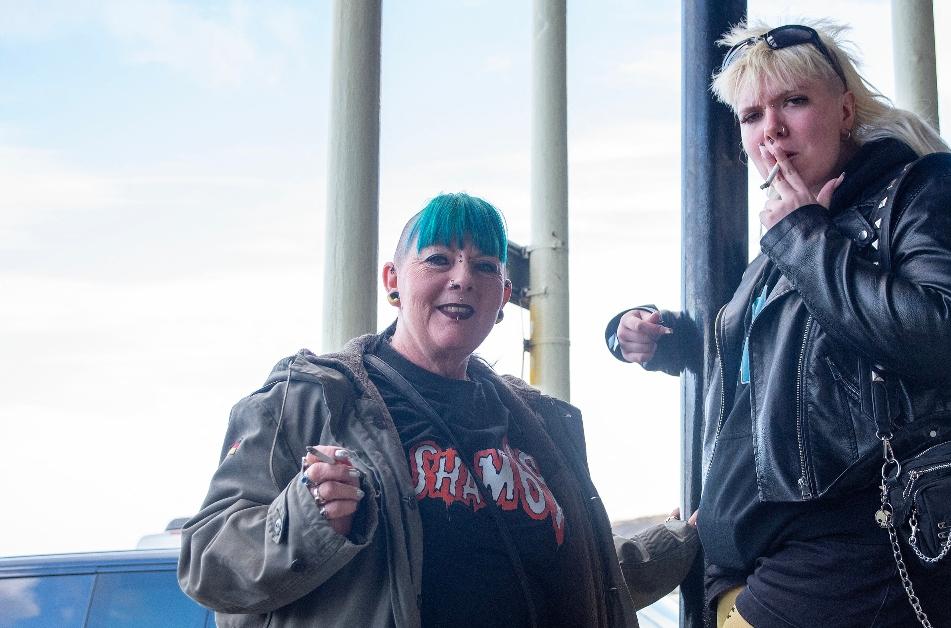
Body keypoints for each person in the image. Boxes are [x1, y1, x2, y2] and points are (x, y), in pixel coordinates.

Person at [606, 20, 951, 628]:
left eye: (793, 102)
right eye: (751, 115)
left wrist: (801, 236)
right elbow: (781, 367)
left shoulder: (929, 187)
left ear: (845, 108)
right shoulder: (788, 239)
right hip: (765, 558)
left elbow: (942, 335)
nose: (772, 130)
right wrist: (673, 344)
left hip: (866, 542)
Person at [180, 192, 698, 627]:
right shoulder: (311, 398)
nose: (462, 277)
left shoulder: (540, 424)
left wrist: (687, 540)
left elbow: (589, 574)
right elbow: (207, 563)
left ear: (503, 299)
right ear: (393, 280)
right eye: (437, 259)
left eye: (484, 266)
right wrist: (311, 518)